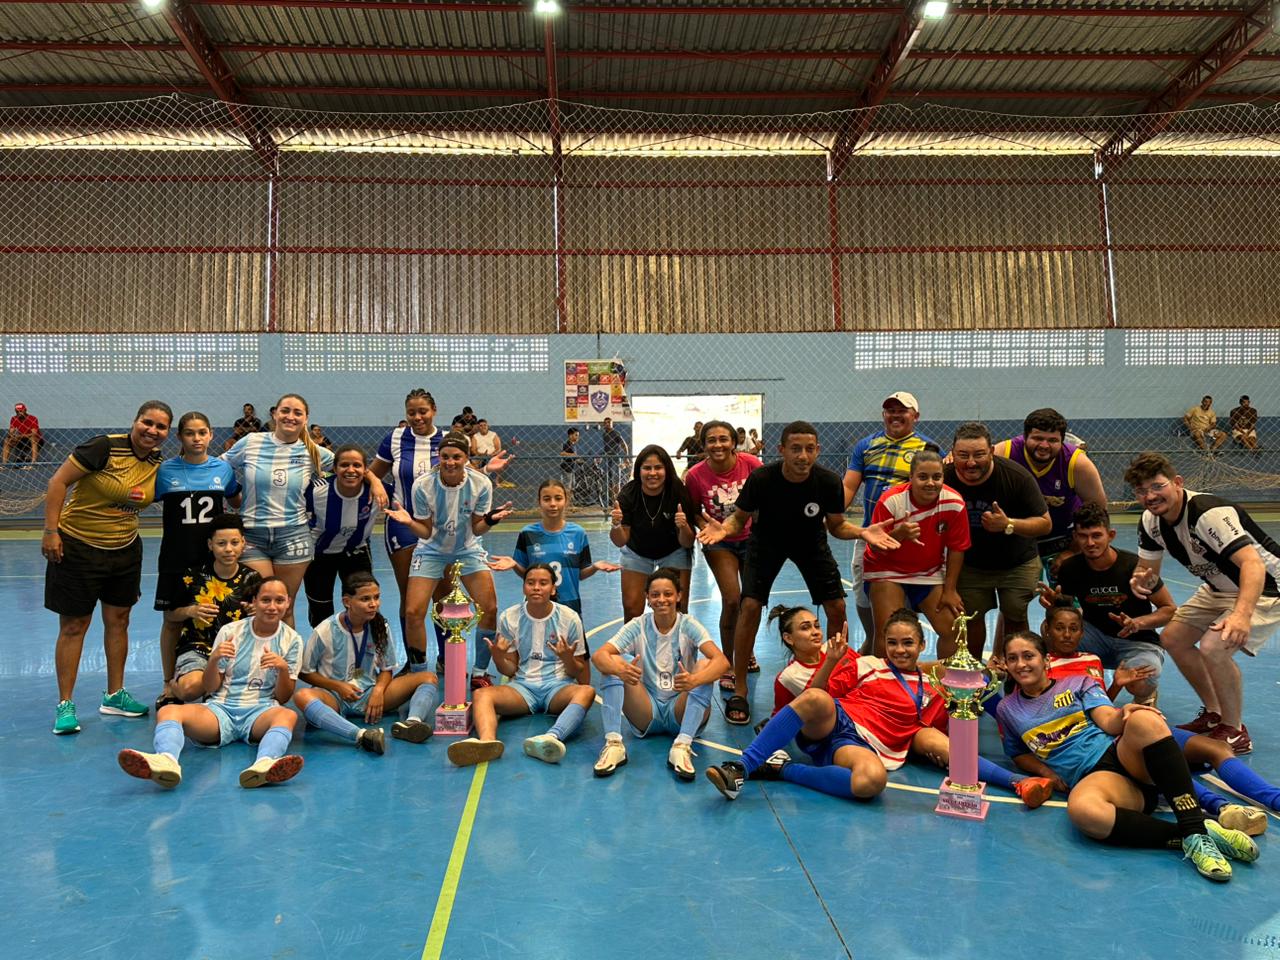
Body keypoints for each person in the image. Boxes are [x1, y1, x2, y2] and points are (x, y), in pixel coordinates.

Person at [705, 611, 1054, 809]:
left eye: (908, 643)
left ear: (922, 644)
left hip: (880, 742)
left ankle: (1018, 782)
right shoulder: (868, 664)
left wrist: (988, 675)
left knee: (875, 780)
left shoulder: (930, 679)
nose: (899, 650)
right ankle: (742, 767)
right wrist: (831, 662)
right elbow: (817, 695)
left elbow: (965, 680)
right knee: (817, 702)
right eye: (892, 643)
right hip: (842, 727)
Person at [996, 630, 1258, 881]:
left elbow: (1108, 721)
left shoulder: (1078, 683)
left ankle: (1194, 827)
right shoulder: (1008, 709)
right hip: (1097, 780)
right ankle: (1195, 835)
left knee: (1144, 719)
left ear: (1045, 660)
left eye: (1028, 656)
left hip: (1121, 756)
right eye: (1013, 658)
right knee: (1083, 811)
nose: (1021, 664)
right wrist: (1046, 772)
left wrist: (1124, 713)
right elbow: (1018, 753)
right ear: (1006, 664)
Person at [698, 421, 899, 726]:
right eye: (795, 449)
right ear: (782, 450)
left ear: (817, 450)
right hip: (767, 543)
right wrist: (724, 529)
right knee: (749, 605)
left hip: (810, 543)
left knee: (837, 607)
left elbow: (836, 526)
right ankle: (739, 688)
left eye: (809, 449)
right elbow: (739, 520)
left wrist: (862, 532)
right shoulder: (762, 479)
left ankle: (832, 677)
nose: (802, 456)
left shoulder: (828, 482)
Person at [1125, 451, 1280, 754]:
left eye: (1157, 486)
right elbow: (1148, 573)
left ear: (1177, 483)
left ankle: (1235, 731)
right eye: (1142, 491)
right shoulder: (1150, 521)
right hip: (1219, 586)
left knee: (1214, 646)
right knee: (1173, 637)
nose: (1150, 496)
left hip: (1265, 585)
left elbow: (1252, 565)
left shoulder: (1208, 514)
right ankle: (1214, 714)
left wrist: (1241, 615)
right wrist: (1140, 580)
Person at [43, 400, 172, 735]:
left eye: (160, 427)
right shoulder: (103, 447)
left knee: (119, 621)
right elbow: (58, 482)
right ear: (135, 421)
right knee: (75, 625)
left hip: (124, 550)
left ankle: (115, 695)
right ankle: (65, 704)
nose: (152, 431)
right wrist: (51, 531)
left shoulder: (156, 461)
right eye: (147, 422)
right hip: (78, 547)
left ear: (167, 433)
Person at [117, 577, 306, 790]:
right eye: (265, 600)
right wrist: (214, 660)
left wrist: (282, 668)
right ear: (254, 601)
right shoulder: (231, 632)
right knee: (169, 711)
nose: (272, 607)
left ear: (288, 602)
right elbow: (211, 687)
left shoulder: (293, 640)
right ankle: (166, 760)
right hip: (221, 710)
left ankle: (265, 764)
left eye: (279, 600)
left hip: (260, 712)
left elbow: (283, 697)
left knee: (288, 715)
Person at [224, 394, 373, 627]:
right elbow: (219, 467)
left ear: (306, 419)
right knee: (261, 604)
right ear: (275, 414)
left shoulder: (312, 451)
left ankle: (288, 652)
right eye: (285, 410)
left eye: (297, 413)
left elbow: (348, 464)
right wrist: (234, 494)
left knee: (284, 607)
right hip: (253, 535)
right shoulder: (251, 442)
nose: (290, 417)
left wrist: (374, 481)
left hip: (293, 536)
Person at [385, 432, 512, 687]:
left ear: (466, 458)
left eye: (456, 457)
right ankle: (419, 674)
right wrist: (409, 522)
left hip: (467, 549)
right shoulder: (423, 485)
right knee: (413, 612)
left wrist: (489, 520)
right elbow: (425, 532)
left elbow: (477, 528)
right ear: (438, 456)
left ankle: (479, 673)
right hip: (431, 550)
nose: (450, 462)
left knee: (489, 608)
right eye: (445, 456)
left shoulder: (481, 483)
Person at [447, 564, 596, 767]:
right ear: (524, 587)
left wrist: (567, 658)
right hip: (523, 688)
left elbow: (576, 671)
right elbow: (509, 670)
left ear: (553, 589)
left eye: (543, 583)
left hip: (558, 687)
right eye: (530, 583)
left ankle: (551, 738)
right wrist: (498, 657)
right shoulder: (509, 617)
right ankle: (487, 743)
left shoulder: (569, 618)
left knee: (587, 692)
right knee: (482, 694)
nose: (536, 587)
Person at [591, 568, 728, 780]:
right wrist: (620, 670)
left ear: (679, 596)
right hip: (647, 709)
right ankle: (614, 744)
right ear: (647, 598)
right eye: (655, 594)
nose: (661, 599)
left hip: (681, 709)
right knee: (613, 663)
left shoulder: (689, 625)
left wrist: (694, 680)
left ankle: (682, 746)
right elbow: (599, 656)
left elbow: (722, 662)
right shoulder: (638, 625)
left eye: (668, 594)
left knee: (704, 666)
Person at [294, 572, 440, 752]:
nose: (373, 604)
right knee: (302, 696)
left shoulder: (380, 626)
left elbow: (386, 669)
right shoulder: (325, 630)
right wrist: (338, 686)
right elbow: (305, 672)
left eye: (376, 597)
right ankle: (361, 735)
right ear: (347, 601)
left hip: (369, 693)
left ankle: (411, 724)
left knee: (427, 677)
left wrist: (378, 691)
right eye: (365, 599)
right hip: (334, 696)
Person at [1044, 502, 1173, 706]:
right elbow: (1065, 611)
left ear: (1110, 535)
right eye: (1083, 536)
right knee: (1049, 631)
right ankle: (1068, 693)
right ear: (1075, 537)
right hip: (1094, 636)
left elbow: (1169, 609)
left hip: (1137, 641)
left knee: (1141, 682)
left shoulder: (1135, 567)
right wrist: (1054, 605)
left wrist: (1137, 623)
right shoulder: (1070, 568)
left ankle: (1145, 697)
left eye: (1096, 535)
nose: (1090, 542)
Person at [153, 411, 241, 707]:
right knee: (172, 620)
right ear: (179, 437)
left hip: (210, 560)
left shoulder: (222, 469)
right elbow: (146, 497)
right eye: (189, 433)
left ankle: (217, 677)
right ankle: (169, 682)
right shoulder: (165, 470)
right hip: (176, 558)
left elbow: (235, 498)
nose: (196, 438)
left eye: (202, 432)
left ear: (211, 434)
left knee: (218, 616)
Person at [943, 421, 1051, 659]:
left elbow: (1045, 523)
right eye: (963, 455)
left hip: (1017, 561)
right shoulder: (943, 478)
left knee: (1015, 612)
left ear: (991, 451)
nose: (971, 462)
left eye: (979, 454)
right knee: (970, 617)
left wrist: (1008, 524)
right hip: (969, 564)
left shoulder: (1016, 477)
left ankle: (1015, 669)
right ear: (953, 454)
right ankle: (973, 673)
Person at [842, 391, 938, 651]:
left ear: (915, 416)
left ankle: (902, 648)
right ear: (884, 415)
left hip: (910, 536)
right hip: (871, 533)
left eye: (902, 411)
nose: (895, 416)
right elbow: (849, 486)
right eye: (890, 411)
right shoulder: (866, 446)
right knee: (863, 595)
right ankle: (872, 638)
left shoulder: (928, 449)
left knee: (903, 597)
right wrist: (832, 512)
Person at [504, 478, 619, 676]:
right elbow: (527, 576)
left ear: (566, 500)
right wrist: (514, 565)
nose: (553, 504)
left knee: (579, 657)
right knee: (534, 654)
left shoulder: (578, 533)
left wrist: (594, 567)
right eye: (547, 499)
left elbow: (580, 573)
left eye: (558, 498)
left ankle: (582, 690)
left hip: (570, 604)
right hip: (538, 605)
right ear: (539, 502)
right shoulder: (528, 534)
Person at [862, 448, 967, 656]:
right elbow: (875, 547)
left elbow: (957, 548)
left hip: (928, 572)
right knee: (889, 634)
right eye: (923, 477)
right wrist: (899, 534)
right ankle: (885, 677)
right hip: (887, 570)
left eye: (936, 477)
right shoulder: (891, 500)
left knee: (955, 631)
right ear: (911, 478)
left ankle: (945, 677)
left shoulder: (954, 502)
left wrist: (950, 590)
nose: (930, 483)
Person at [684, 420, 763, 691]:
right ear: (704, 445)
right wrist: (706, 527)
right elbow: (694, 510)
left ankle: (746, 652)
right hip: (719, 543)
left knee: (751, 602)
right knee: (731, 600)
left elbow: (767, 497)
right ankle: (727, 663)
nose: (717, 445)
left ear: (733, 442)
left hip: (752, 539)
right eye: (711, 440)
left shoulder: (751, 464)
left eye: (723, 439)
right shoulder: (695, 475)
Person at [994, 408, 1106, 581]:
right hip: (1017, 537)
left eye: (1052, 440)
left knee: (1068, 591)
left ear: (1062, 440)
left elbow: (1098, 512)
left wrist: (1073, 551)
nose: (1044, 446)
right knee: (1020, 594)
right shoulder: (1004, 453)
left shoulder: (1077, 463)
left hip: (1063, 538)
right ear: (1024, 437)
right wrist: (953, 459)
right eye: (1038, 438)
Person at [164, 514, 261, 704]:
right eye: (221, 543)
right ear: (210, 545)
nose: (228, 549)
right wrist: (190, 611)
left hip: (237, 650)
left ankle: (213, 688)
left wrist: (258, 614)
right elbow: (170, 615)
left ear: (243, 543)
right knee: (189, 689)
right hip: (198, 646)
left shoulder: (252, 579)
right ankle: (174, 686)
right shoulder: (192, 576)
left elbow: (268, 620)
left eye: (234, 543)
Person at [610, 444, 698, 621]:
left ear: (667, 469)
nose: (652, 473)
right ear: (639, 470)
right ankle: (636, 641)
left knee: (677, 608)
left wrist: (683, 526)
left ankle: (676, 640)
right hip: (637, 552)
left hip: (673, 551)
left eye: (658, 467)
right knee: (632, 609)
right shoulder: (628, 494)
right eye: (647, 468)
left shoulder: (678, 492)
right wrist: (616, 526)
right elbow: (620, 541)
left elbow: (687, 542)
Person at [302, 444, 382, 628]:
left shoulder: (377, 492)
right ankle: (324, 644)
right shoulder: (316, 491)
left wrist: (376, 482)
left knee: (364, 603)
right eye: (344, 465)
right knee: (320, 610)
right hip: (319, 554)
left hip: (355, 551)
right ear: (335, 468)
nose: (351, 470)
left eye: (357, 465)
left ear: (365, 470)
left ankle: (366, 643)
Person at [767, 604, 827, 717]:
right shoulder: (788, 677)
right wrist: (832, 662)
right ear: (789, 638)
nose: (816, 632)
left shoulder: (834, 649)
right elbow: (781, 719)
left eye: (817, 626)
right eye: (805, 628)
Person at [470, 419, 512, 486]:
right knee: (473, 461)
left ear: (488, 426)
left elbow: (498, 448)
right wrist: (480, 454)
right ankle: (477, 480)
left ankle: (496, 481)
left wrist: (492, 454)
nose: (483, 427)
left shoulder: (493, 435)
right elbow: (473, 449)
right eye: (481, 426)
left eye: (485, 425)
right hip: (480, 455)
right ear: (478, 427)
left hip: (492, 454)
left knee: (498, 462)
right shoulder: (475, 436)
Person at [3, 402, 42, 468]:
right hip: (21, 439)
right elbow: (11, 431)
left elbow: (34, 433)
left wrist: (19, 436)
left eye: (21, 411)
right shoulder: (14, 418)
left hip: (35, 439)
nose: (19, 413)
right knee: (7, 440)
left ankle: (33, 463)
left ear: (25, 410)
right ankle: (4, 464)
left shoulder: (33, 418)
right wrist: (12, 436)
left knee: (33, 439)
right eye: (17, 411)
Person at [601, 416, 629, 499]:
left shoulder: (616, 433)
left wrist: (626, 457)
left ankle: (617, 500)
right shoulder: (604, 434)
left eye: (609, 422)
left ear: (612, 424)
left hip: (615, 458)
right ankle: (611, 500)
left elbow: (624, 445)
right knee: (608, 480)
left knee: (616, 480)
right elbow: (606, 447)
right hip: (607, 458)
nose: (607, 424)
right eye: (605, 423)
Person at [560, 427, 580, 495]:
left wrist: (577, 459)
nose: (578, 437)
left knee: (573, 485)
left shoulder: (573, 445)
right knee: (568, 486)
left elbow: (574, 457)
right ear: (570, 435)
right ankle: (567, 499)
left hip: (571, 469)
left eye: (578, 435)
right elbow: (562, 453)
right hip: (567, 469)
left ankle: (570, 499)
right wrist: (573, 455)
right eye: (576, 435)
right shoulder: (567, 444)